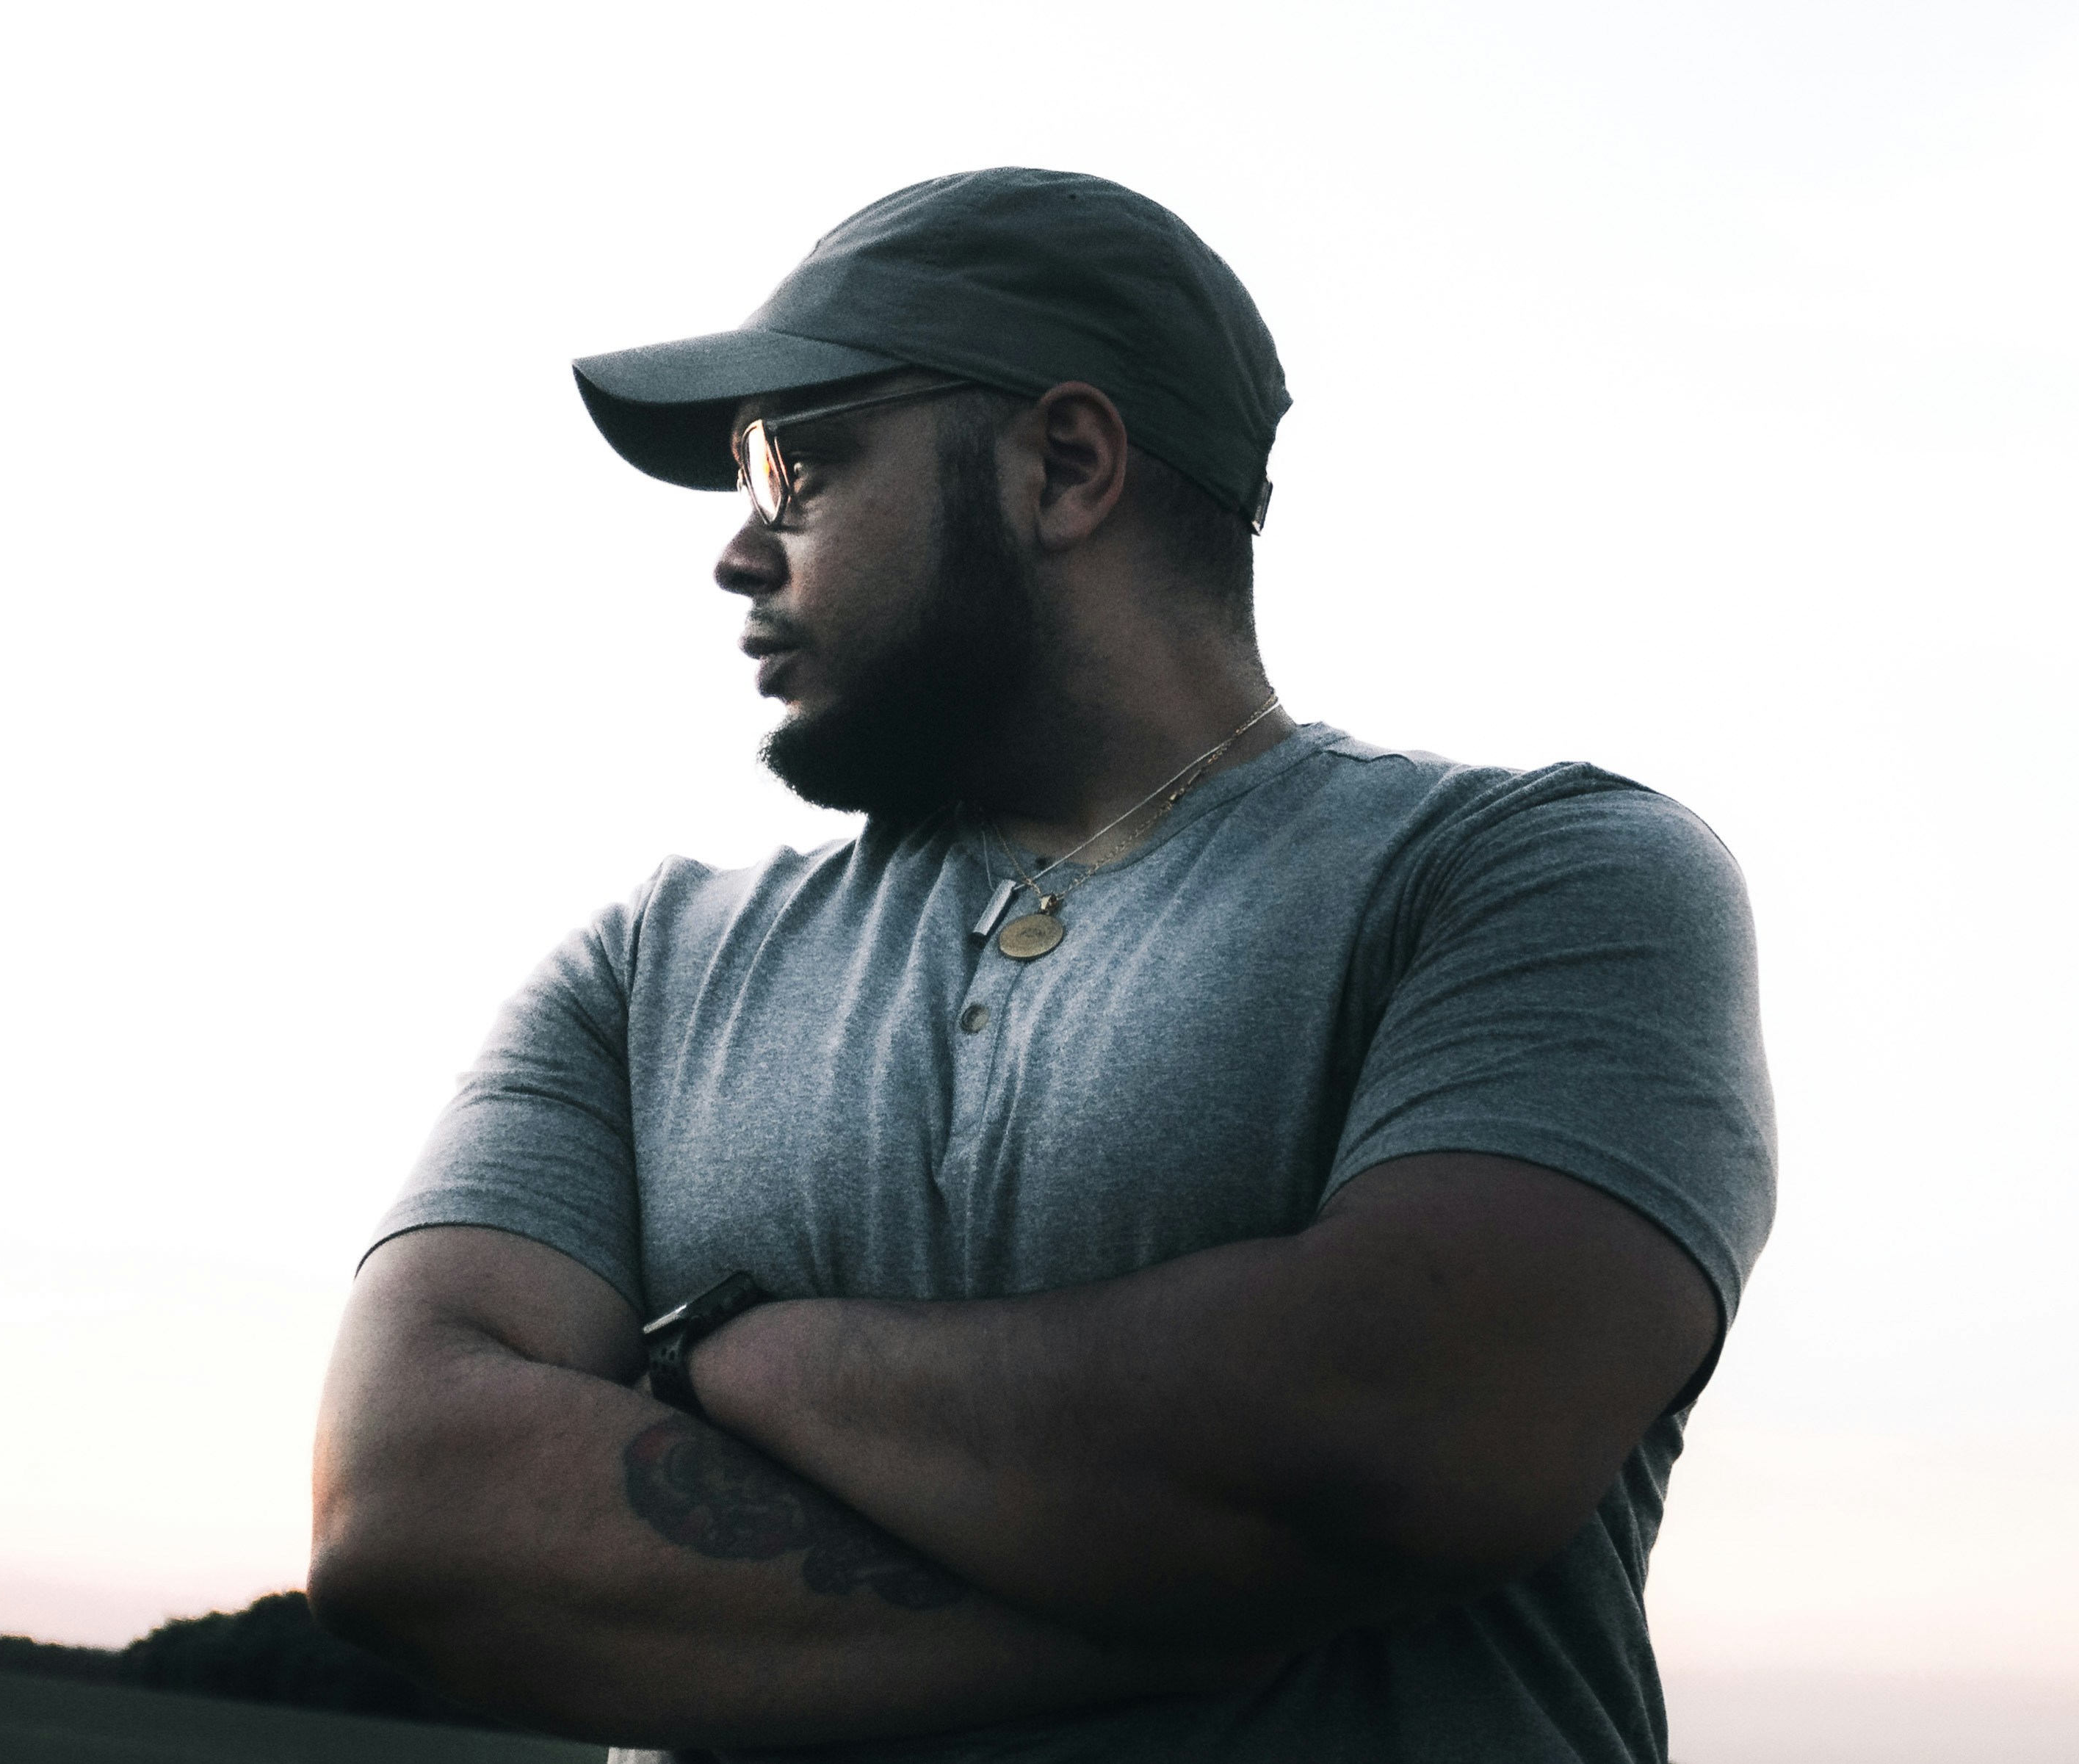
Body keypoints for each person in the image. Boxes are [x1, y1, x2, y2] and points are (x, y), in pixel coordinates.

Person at [307, 167, 1775, 1764]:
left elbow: (1393, 1437)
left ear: (1063, 466)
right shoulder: (646, 969)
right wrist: (1206, 1613)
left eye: (792, 460)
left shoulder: (1532, 879)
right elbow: (408, 1503)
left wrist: (732, 1354)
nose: (738, 550)